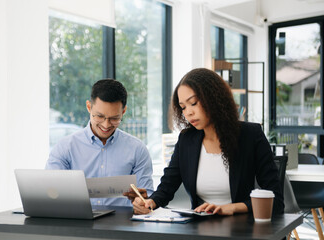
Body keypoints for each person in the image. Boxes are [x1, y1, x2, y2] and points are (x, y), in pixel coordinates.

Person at [132, 68, 284, 215]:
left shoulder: (250, 135)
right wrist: (150, 202)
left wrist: (231, 208)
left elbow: (276, 200)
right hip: (201, 228)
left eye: (193, 103)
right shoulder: (186, 139)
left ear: (213, 98)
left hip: (242, 228)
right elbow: (167, 187)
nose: (188, 112)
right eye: (183, 107)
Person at [46, 79, 154, 207]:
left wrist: (143, 202)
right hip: (78, 223)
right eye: (99, 116)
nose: (106, 124)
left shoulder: (137, 149)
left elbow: (148, 195)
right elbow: (50, 192)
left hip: (124, 224)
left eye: (114, 118)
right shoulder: (65, 147)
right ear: (88, 107)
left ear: (123, 111)